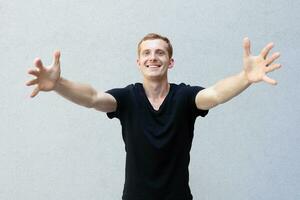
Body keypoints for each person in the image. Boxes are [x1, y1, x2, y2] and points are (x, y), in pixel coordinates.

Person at [26, 33, 281, 200]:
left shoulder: (184, 97)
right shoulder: (127, 98)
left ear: (170, 62)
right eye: (146, 53)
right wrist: (59, 84)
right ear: (138, 62)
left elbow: (214, 94)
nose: (153, 57)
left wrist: (245, 78)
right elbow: (93, 98)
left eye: (160, 52)